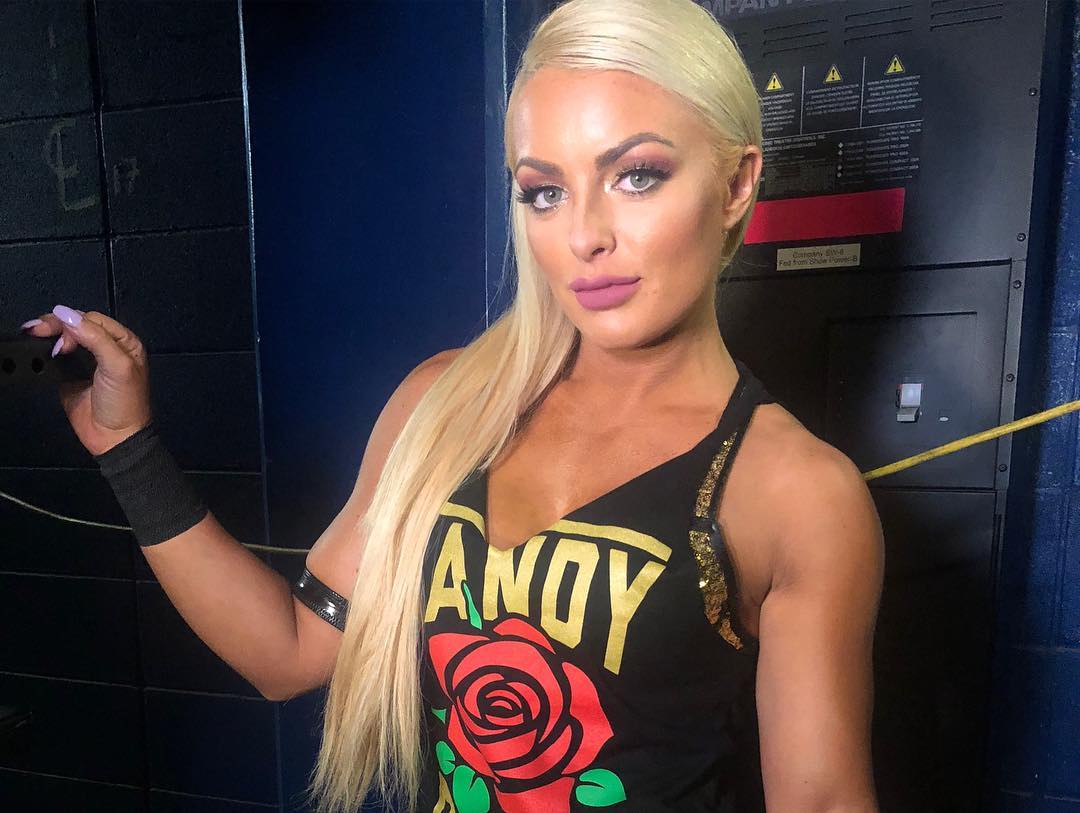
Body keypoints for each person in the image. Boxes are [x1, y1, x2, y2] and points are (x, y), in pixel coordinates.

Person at [25, 0, 884, 810]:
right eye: (545, 190)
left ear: (736, 184)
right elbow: (288, 650)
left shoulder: (797, 493)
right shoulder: (445, 403)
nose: (584, 235)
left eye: (636, 176)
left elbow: (824, 800)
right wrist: (127, 449)